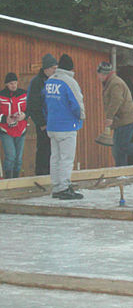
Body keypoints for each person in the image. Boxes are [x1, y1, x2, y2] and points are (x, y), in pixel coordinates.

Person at [97, 62, 133, 167]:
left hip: (127, 120)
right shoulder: (111, 82)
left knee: (122, 147)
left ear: (103, 74)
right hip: (121, 121)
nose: (98, 77)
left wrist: (109, 117)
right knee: (118, 149)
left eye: (99, 74)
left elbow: (116, 100)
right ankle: (121, 170)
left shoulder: (115, 83)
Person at [44, 54, 85, 200]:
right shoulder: (69, 82)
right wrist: (81, 117)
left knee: (54, 157)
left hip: (52, 125)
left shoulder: (50, 81)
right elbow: (77, 104)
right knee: (66, 158)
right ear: (71, 68)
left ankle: (56, 186)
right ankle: (64, 187)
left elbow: (45, 103)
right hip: (67, 125)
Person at [26, 54, 58, 175]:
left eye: (56, 68)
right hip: (44, 123)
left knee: (55, 152)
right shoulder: (37, 82)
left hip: (56, 123)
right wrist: (41, 123)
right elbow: (33, 105)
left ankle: (53, 175)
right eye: (53, 68)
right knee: (44, 151)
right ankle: (41, 176)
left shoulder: (56, 80)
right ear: (46, 68)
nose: (55, 70)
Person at [0, 72, 27, 178]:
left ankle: (16, 180)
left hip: (21, 129)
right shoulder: (1, 95)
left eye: (15, 83)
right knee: (10, 156)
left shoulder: (24, 94)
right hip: (6, 130)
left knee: (18, 159)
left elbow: (30, 108)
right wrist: (4, 119)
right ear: (6, 84)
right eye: (11, 83)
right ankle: (8, 181)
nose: (14, 85)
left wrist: (25, 115)